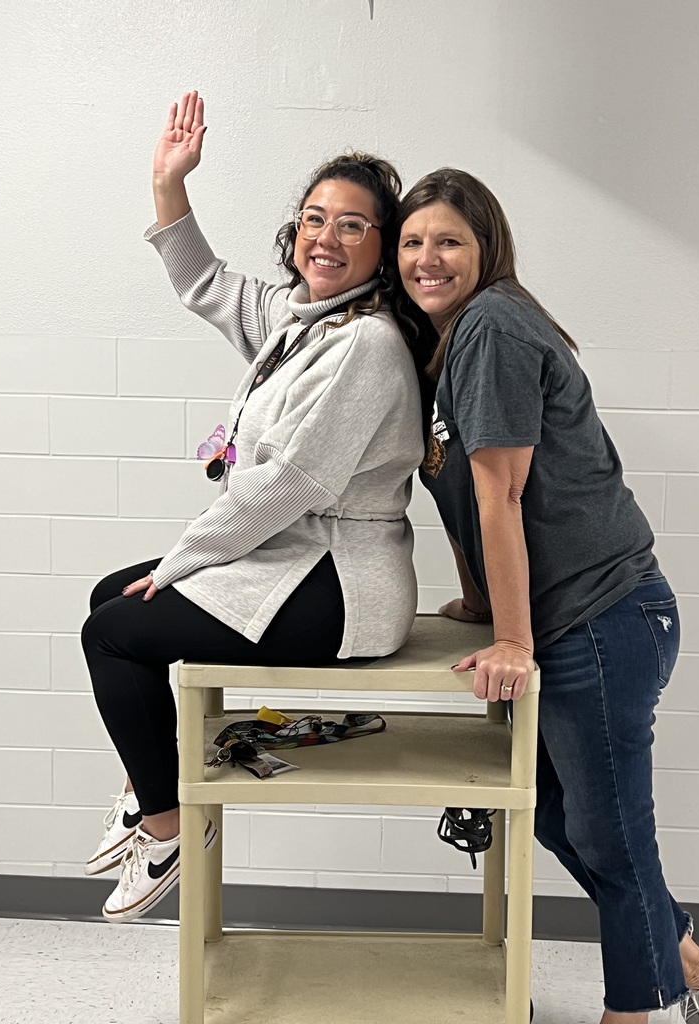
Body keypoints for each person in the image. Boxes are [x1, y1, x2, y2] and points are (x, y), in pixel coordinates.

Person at [397, 168, 699, 1024]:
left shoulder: (491, 326)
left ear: (487, 249)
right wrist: (483, 604)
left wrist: (513, 641)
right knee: (558, 817)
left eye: (449, 241)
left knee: (611, 837)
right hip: (569, 623)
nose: (427, 258)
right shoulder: (448, 347)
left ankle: (636, 1011)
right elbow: (459, 493)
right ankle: (696, 967)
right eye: (411, 242)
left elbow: (503, 495)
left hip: (602, 618)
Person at [80, 92, 423, 924]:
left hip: (343, 585)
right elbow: (205, 282)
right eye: (314, 219)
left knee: (113, 633)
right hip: (293, 558)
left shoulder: (368, 342)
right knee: (108, 597)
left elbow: (290, 483)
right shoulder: (301, 321)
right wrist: (169, 182)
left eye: (352, 225)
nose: (325, 237)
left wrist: (182, 559)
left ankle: (167, 828)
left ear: (382, 247)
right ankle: (151, 784)